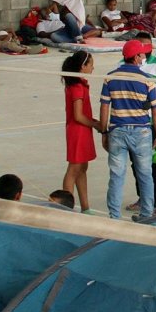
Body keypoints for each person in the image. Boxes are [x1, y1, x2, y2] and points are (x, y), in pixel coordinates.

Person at [99, 39, 156, 219]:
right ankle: (146, 216)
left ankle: (114, 216)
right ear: (135, 57)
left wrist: (104, 132)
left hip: (117, 131)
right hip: (142, 132)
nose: (144, 57)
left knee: (116, 176)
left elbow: (104, 108)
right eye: (142, 54)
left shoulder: (110, 78)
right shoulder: (147, 80)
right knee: (145, 175)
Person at [123, 31, 156, 215]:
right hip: (133, 121)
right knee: (136, 162)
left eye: (146, 46)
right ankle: (143, 197)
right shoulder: (126, 65)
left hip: (152, 121)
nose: (143, 50)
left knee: (153, 162)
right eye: (139, 46)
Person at [61, 51, 99, 212]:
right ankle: (65, 207)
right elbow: (78, 115)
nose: (92, 67)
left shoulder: (80, 84)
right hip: (78, 131)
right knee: (74, 169)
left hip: (83, 130)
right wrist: (95, 124)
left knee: (82, 168)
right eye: (90, 64)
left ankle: (85, 207)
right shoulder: (77, 87)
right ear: (82, 67)